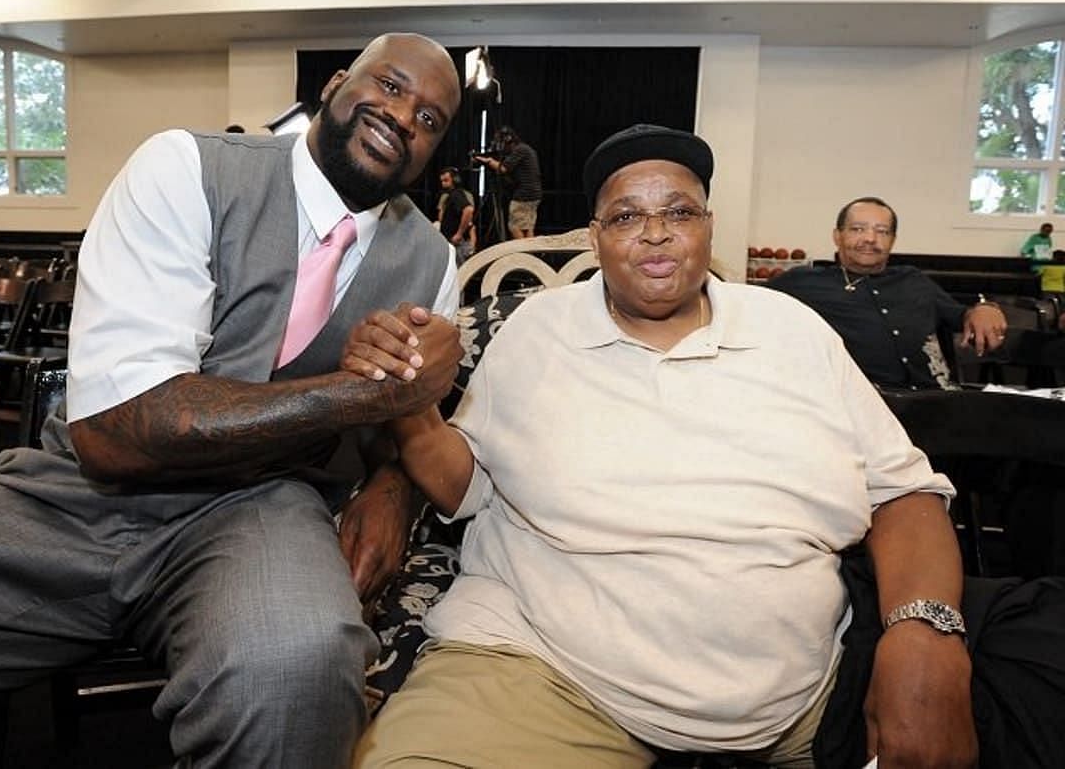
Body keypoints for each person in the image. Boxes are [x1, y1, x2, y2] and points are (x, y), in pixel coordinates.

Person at [344, 124, 1065, 769]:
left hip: (810, 699)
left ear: (709, 228)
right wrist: (411, 408)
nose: (654, 234)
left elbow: (903, 492)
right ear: (596, 236)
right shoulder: (536, 332)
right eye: (626, 216)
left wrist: (924, 638)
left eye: (678, 212)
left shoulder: (793, 329)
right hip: (547, 674)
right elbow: (462, 489)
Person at [0, 32, 464, 768]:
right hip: (77, 497)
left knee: (295, 664)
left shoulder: (433, 261)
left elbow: (409, 425)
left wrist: (393, 489)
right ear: (338, 83)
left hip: (263, 512)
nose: (405, 117)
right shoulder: (186, 167)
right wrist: (355, 395)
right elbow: (118, 434)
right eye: (391, 86)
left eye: (431, 119)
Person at [766, 197, 1007, 389]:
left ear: (892, 240)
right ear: (837, 236)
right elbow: (745, 306)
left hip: (934, 399)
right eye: (858, 229)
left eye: (882, 231)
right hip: (858, 407)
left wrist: (985, 308)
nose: (870, 239)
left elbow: (962, 315)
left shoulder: (913, 279)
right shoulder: (802, 282)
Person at [473, 126, 542, 239]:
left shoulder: (519, 150)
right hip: (534, 194)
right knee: (527, 227)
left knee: (515, 227)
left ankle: (521, 253)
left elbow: (503, 168)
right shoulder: (525, 149)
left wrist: (488, 161)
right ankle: (529, 254)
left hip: (524, 195)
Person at [435, 167, 476, 265]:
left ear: (455, 180)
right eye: (442, 181)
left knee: (459, 273)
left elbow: (468, 210)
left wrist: (459, 234)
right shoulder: (451, 195)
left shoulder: (456, 194)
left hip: (457, 244)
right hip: (453, 242)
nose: (443, 184)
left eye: (446, 180)